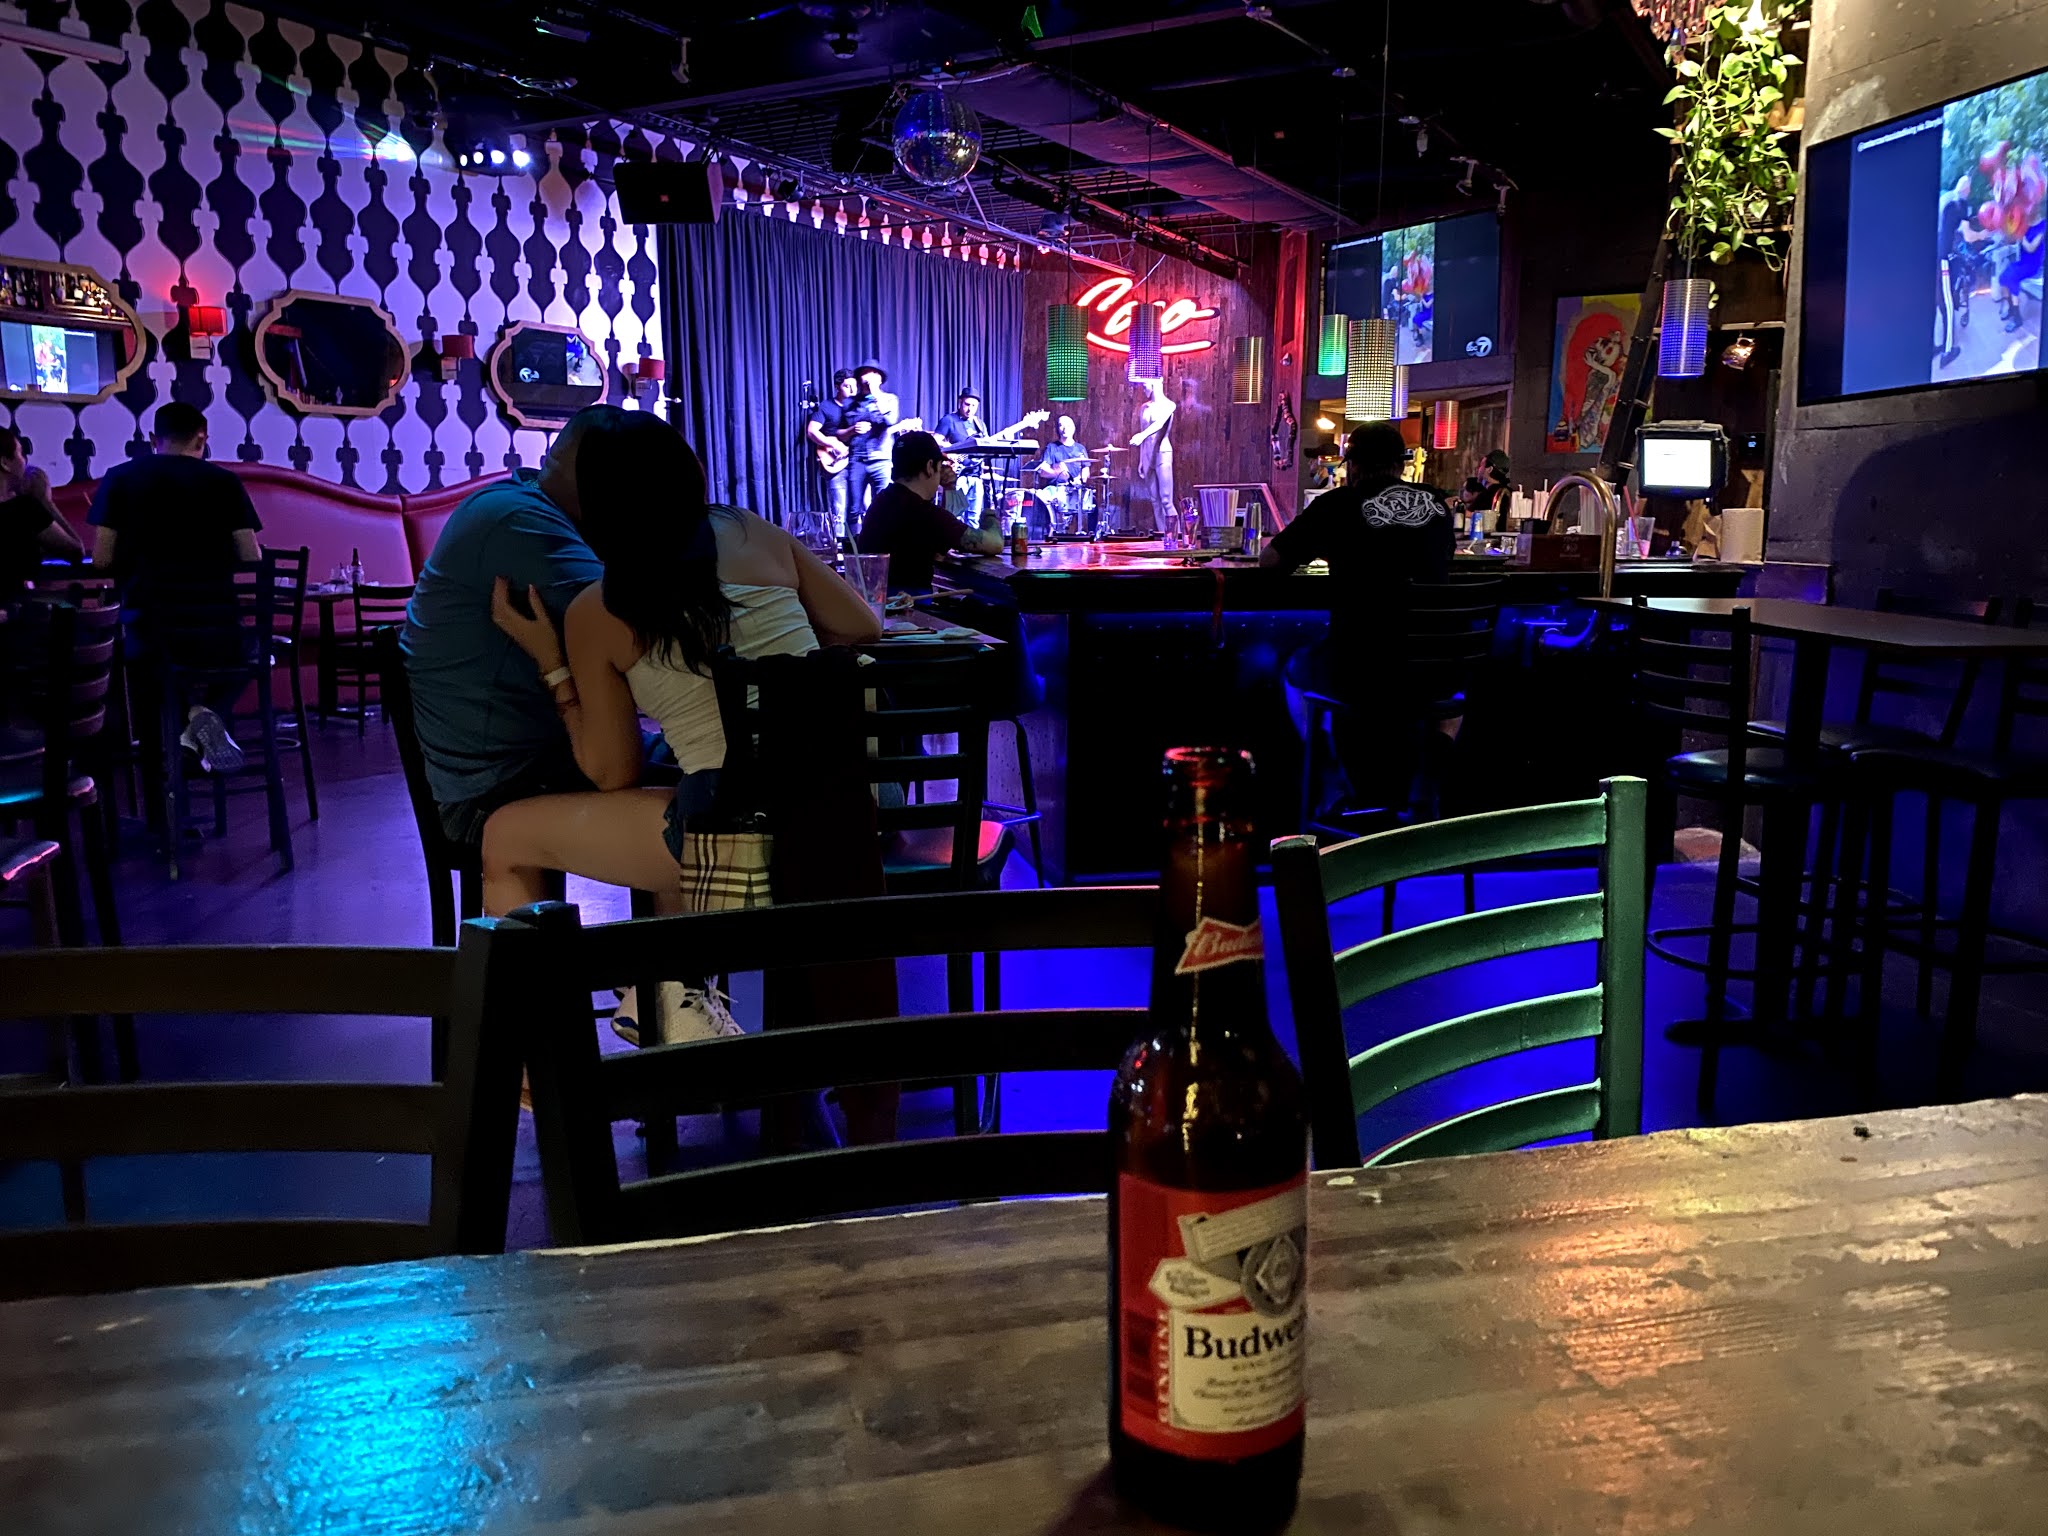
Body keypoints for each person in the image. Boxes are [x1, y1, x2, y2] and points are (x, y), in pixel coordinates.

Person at [481, 416, 882, 1046]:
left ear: (594, 508)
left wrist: (551, 663)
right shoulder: (752, 532)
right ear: (691, 473)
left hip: (744, 842)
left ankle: (536, 1065)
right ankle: (672, 996)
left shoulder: (600, 608)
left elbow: (612, 771)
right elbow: (864, 625)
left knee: (505, 834)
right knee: (682, 797)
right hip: (850, 808)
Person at [400, 403, 625, 848]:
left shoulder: (528, 505)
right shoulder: (521, 519)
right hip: (492, 793)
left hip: (530, 760)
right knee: (698, 803)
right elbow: (638, 629)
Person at [1261, 423, 1456, 811]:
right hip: (1433, 671)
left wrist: (1327, 548)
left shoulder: (1336, 505)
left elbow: (1271, 562)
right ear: (1401, 465)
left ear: (1351, 465)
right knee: (1451, 687)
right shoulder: (1435, 503)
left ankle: (1332, 774)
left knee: (1294, 670)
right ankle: (1427, 779)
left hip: (1359, 669)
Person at [88, 402, 263, 773]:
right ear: (202, 440)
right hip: (218, 633)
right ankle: (204, 714)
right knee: (256, 651)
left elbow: (101, 559)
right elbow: (251, 556)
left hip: (148, 633)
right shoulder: (225, 482)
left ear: (154, 439)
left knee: (155, 669)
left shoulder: (119, 478)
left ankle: (178, 747)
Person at [855, 430, 1003, 592]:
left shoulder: (883, 501)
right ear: (929, 467)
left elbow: (943, 537)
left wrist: (950, 488)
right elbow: (995, 544)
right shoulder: (924, 514)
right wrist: (990, 515)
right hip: (909, 604)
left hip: (876, 601)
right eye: (940, 467)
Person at [0, 426, 85, 602]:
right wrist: (46, 502)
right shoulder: (24, 509)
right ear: (5, 463)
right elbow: (76, 552)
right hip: (16, 612)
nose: (25, 461)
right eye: (20, 453)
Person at [1937, 173, 1993, 367]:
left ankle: (1935, 346)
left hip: (1932, 255)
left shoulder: (1944, 197)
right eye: (1969, 189)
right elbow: (1968, 236)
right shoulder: (1961, 204)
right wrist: (1983, 234)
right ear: (1967, 189)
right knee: (1947, 304)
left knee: (1937, 302)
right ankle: (1948, 351)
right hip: (1943, 258)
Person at [805, 369, 860, 539]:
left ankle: (859, 548)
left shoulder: (860, 406)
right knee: (839, 509)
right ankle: (838, 549)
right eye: (847, 386)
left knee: (861, 508)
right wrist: (833, 443)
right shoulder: (827, 406)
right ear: (837, 387)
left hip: (858, 463)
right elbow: (812, 431)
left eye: (855, 385)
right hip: (835, 463)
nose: (852, 390)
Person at [844, 359, 901, 522]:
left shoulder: (890, 399)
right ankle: (854, 538)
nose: (868, 377)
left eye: (873, 373)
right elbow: (840, 433)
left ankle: (880, 538)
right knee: (853, 509)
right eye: (865, 373)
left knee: (883, 508)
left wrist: (875, 395)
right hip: (857, 461)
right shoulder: (850, 404)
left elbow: (890, 421)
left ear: (880, 379)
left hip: (881, 460)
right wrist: (852, 430)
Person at [1129, 375, 1176, 534]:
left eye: (1145, 385)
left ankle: (1175, 537)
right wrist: (1141, 460)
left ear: (1155, 383)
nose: (1143, 389)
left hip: (1162, 453)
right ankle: (1163, 535)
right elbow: (1144, 432)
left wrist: (1142, 436)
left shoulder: (1169, 405)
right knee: (1155, 500)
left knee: (1166, 500)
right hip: (1147, 455)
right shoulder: (1144, 408)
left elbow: (1159, 423)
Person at [1031, 415, 1091, 531]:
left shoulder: (1080, 449)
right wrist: (1058, 473)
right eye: (1060, 425)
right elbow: (1042, 471)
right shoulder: (1051, 447)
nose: (1064, 428)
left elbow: (1086, 469)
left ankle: (1083, 531)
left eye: (1067, 425)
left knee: (1090, 502)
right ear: (1058, 429)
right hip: (1055, 489)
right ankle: (1055, 529)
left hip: (1076, 489)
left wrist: (1080, 479)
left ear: (1073, 428)